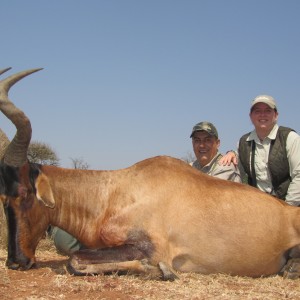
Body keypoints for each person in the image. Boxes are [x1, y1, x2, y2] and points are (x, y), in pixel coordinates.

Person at [220, 95, 300, 205]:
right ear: (250, 116)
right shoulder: (243, 142)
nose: (262, 115)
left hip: (290, 207)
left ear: (276, 115)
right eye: (257, 111)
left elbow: (299, 175)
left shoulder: (290, 138)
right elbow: (236, 157)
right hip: (258, 207)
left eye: (268, 111)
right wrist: (231, 153)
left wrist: (287, 207)